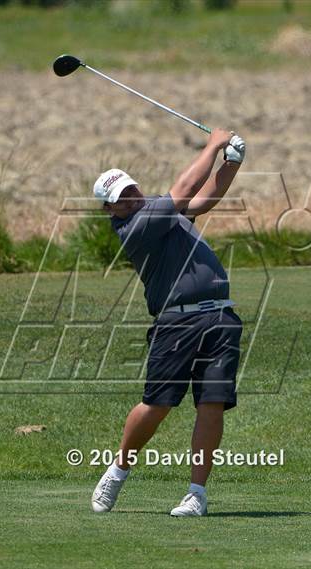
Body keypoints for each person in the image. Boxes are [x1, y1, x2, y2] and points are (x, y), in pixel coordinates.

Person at [91, 129, 245, 516]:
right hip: (177, 324)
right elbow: (183, 188)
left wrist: (232, 163)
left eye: (131, 189)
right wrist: (212, 144)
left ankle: (197, 494)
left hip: (220, 317)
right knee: (157, 405)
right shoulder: (135, 229)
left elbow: (204, 197)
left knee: (211, 404)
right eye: (120, 199)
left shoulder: (162, 210)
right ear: (110, 211)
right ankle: (118, 469)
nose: (130, 197)